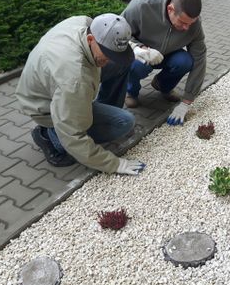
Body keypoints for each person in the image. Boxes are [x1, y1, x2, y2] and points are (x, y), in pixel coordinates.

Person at [15, 14, 146, 176]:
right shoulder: (75, 78)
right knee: (124, 122)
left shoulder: (85, 23)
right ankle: (48, 133)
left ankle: (97, 115)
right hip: (43, 106)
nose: (108, 59)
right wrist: (113, 164)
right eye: (106, 53)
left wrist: (134, 48)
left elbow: (111, 48)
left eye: (113, 53)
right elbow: (73, 134)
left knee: (121, 64)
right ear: (91, 39)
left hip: (53, 85)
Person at [121, 0, 207, 126]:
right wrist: (139, 49)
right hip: (142, 56)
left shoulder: (194, 24)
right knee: (137, 65)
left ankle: (162, 85)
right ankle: (131, 92)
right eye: (183, 22)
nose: (186, 28)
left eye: (190, 23)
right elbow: (118, 33)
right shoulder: (142, 5)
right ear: (170, 9)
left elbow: (200, 57)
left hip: (169, 55)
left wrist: (187, 101)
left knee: (185, 61)